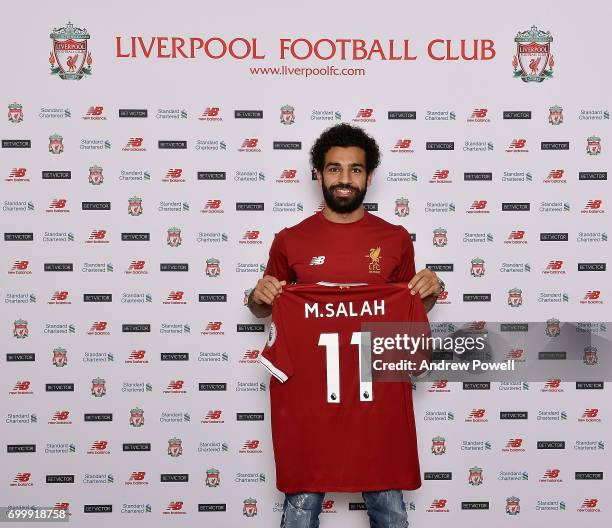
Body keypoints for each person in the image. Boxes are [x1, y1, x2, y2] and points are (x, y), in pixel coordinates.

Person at [247, 123, 444, 527]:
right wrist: (259, 294)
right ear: (318, 174)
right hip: (309, 400)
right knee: (301, 509)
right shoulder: (290, 240)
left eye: (355, 169)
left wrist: (430, 290)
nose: (344, 179)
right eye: (334, 169)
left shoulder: (395, 238)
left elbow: (406, 312)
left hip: (376, 400)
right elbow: (265, 309)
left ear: (369, 176)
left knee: (388, 507)